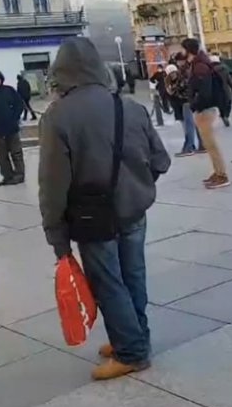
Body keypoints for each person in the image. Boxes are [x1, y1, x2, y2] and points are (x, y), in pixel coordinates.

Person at [39, 37, 170, 380]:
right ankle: (134, 336)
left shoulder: (58, 116)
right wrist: (137, 184)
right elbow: (160, 160)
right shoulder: (129, 106)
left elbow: (53, 183)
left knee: (109, 282)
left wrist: (57, 236)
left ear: (60, 72)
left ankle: (131, 352)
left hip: (92, 216)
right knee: (133, 275)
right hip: (134, 211)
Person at [182, 37, 230, 189]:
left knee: (211, 144)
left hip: (205, 110)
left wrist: (195, 105)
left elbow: (204, 91)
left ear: (188, 50)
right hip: (204, 108)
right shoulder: (199, 64)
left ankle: (222, 175)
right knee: (209, 145)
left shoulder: (200, 66)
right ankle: (218, 172)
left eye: (183, 49)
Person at [210, 54, 232, 127]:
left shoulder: (210, 71)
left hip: (215, 91)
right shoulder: (224, 69)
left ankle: (222, 115)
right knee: (228, 103)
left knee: (220, 105)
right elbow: (229, 80)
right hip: (226, 89)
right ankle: (226, 115)